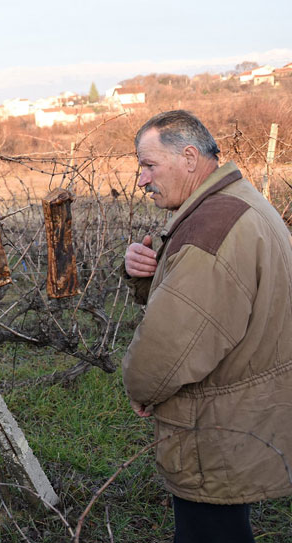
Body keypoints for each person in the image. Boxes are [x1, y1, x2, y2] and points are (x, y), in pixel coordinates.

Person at [122, 109, 292, 543]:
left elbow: (170, 346)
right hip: (244, 411)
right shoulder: (240, 202)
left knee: (209, 531)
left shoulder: (212, 230)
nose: (141, 179)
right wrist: (147, 276)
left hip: (215, 425)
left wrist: (142, 388)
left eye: (148, 165)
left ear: (190, 158)